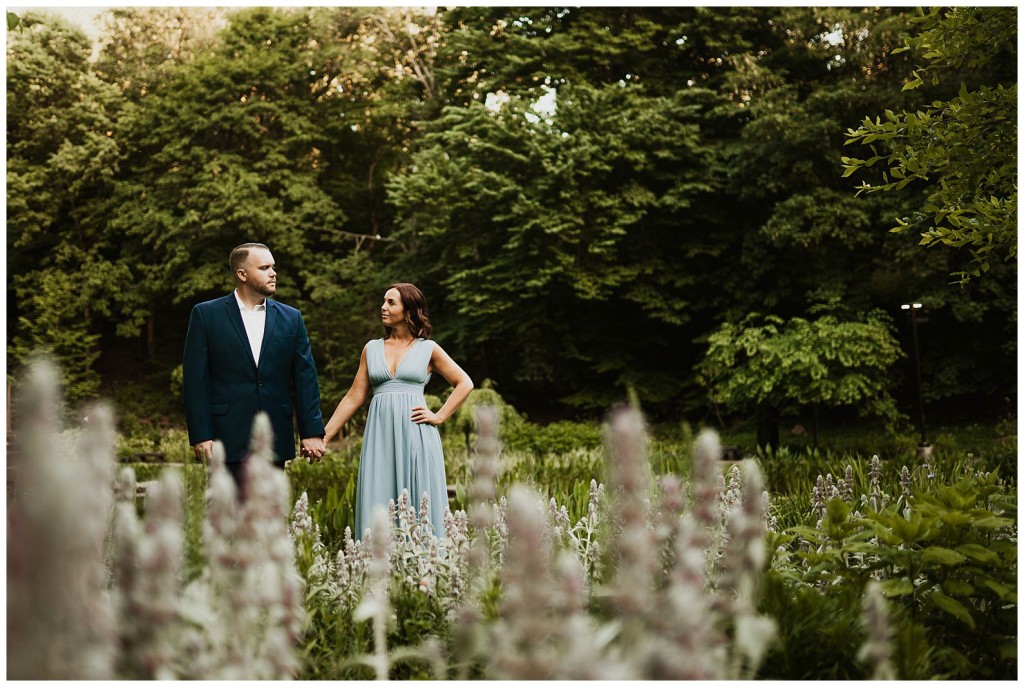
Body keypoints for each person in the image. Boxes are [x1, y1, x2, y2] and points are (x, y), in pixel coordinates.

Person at [323, 283, 474, 538]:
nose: (383, 307)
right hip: (379, 439)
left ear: (408, 311)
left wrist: (438, 416)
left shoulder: (428, 348)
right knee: (377, 498)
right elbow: (353, 396)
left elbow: (464, 383)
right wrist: (324, 435)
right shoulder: (371, 348)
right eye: (384, 301)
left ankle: (425, 573)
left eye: (391, 302)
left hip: (416, 435)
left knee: (420, 503)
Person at [183, 242, 326, 495]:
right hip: (225, 436)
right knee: (227, 520)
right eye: (264, 267)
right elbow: (195, 381)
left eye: (273, 267)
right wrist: (201, 434)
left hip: (274, 434)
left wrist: (312, 431)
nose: (273, 273)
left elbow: (305, 379)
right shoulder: (206, 315)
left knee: (269, 520)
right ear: (242, 274)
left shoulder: (291, 318)